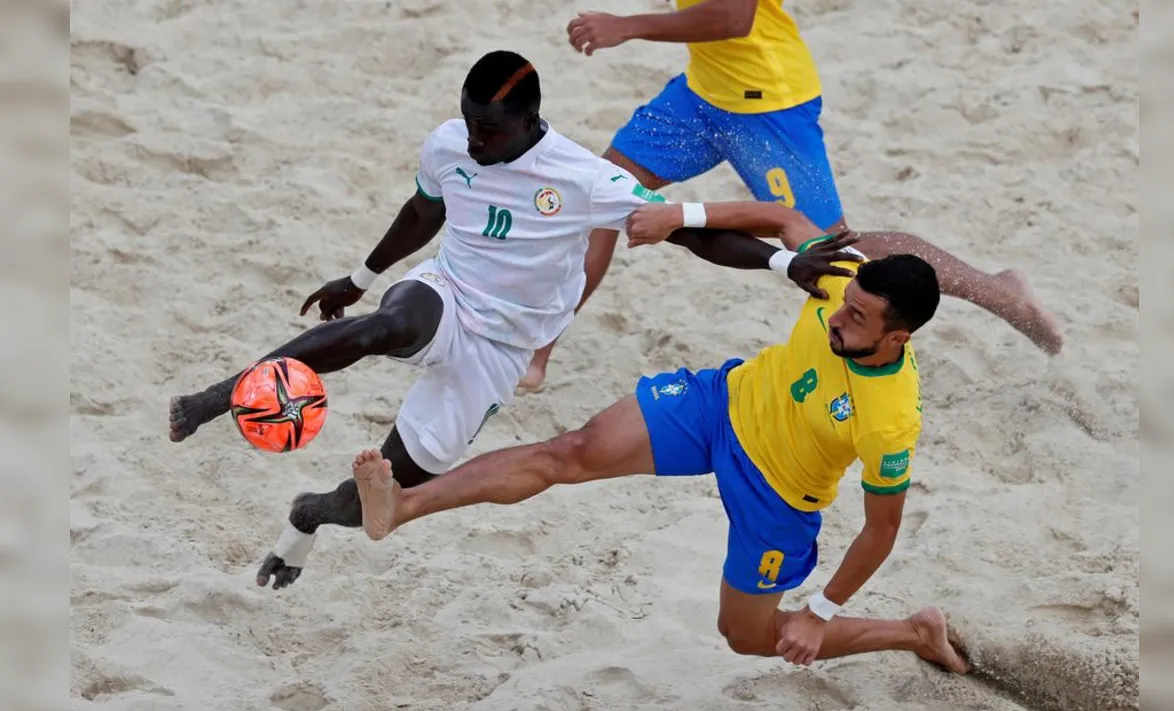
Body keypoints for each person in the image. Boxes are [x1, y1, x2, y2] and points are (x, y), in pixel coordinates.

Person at [165, 50, 857, 590]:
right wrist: (359, 278)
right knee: (382, 326)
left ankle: (304, 519)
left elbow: (686, 233)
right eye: (467, 125)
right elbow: (421, 214)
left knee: (383, 494)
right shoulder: (449, 145)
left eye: (488, 131)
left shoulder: (583, 178)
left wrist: (778, 265)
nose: (472, 142)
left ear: (530, 123)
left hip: (499, 350)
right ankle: (217, 397)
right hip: (447, 293)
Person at [347, 208, 972, 671]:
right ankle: (404, 504)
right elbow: (784, 218)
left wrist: (822, 610)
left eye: (857, 318)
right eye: (845, 303)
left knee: (750, 637)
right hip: (723, 405)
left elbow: (880, 530)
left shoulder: (890, 419)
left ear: (898, 339)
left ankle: (914, 633)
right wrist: (681, 216)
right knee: (571, 452)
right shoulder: (844, 277)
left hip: (779, 498)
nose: (837, 316)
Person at [518, 0, 1063, 390]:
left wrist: (626, 25)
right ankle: (538, 349)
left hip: (767, 106)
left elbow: (735, 17)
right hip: (701, 94)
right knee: (602, 198)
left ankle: (1002, 293)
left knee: (835, 248)